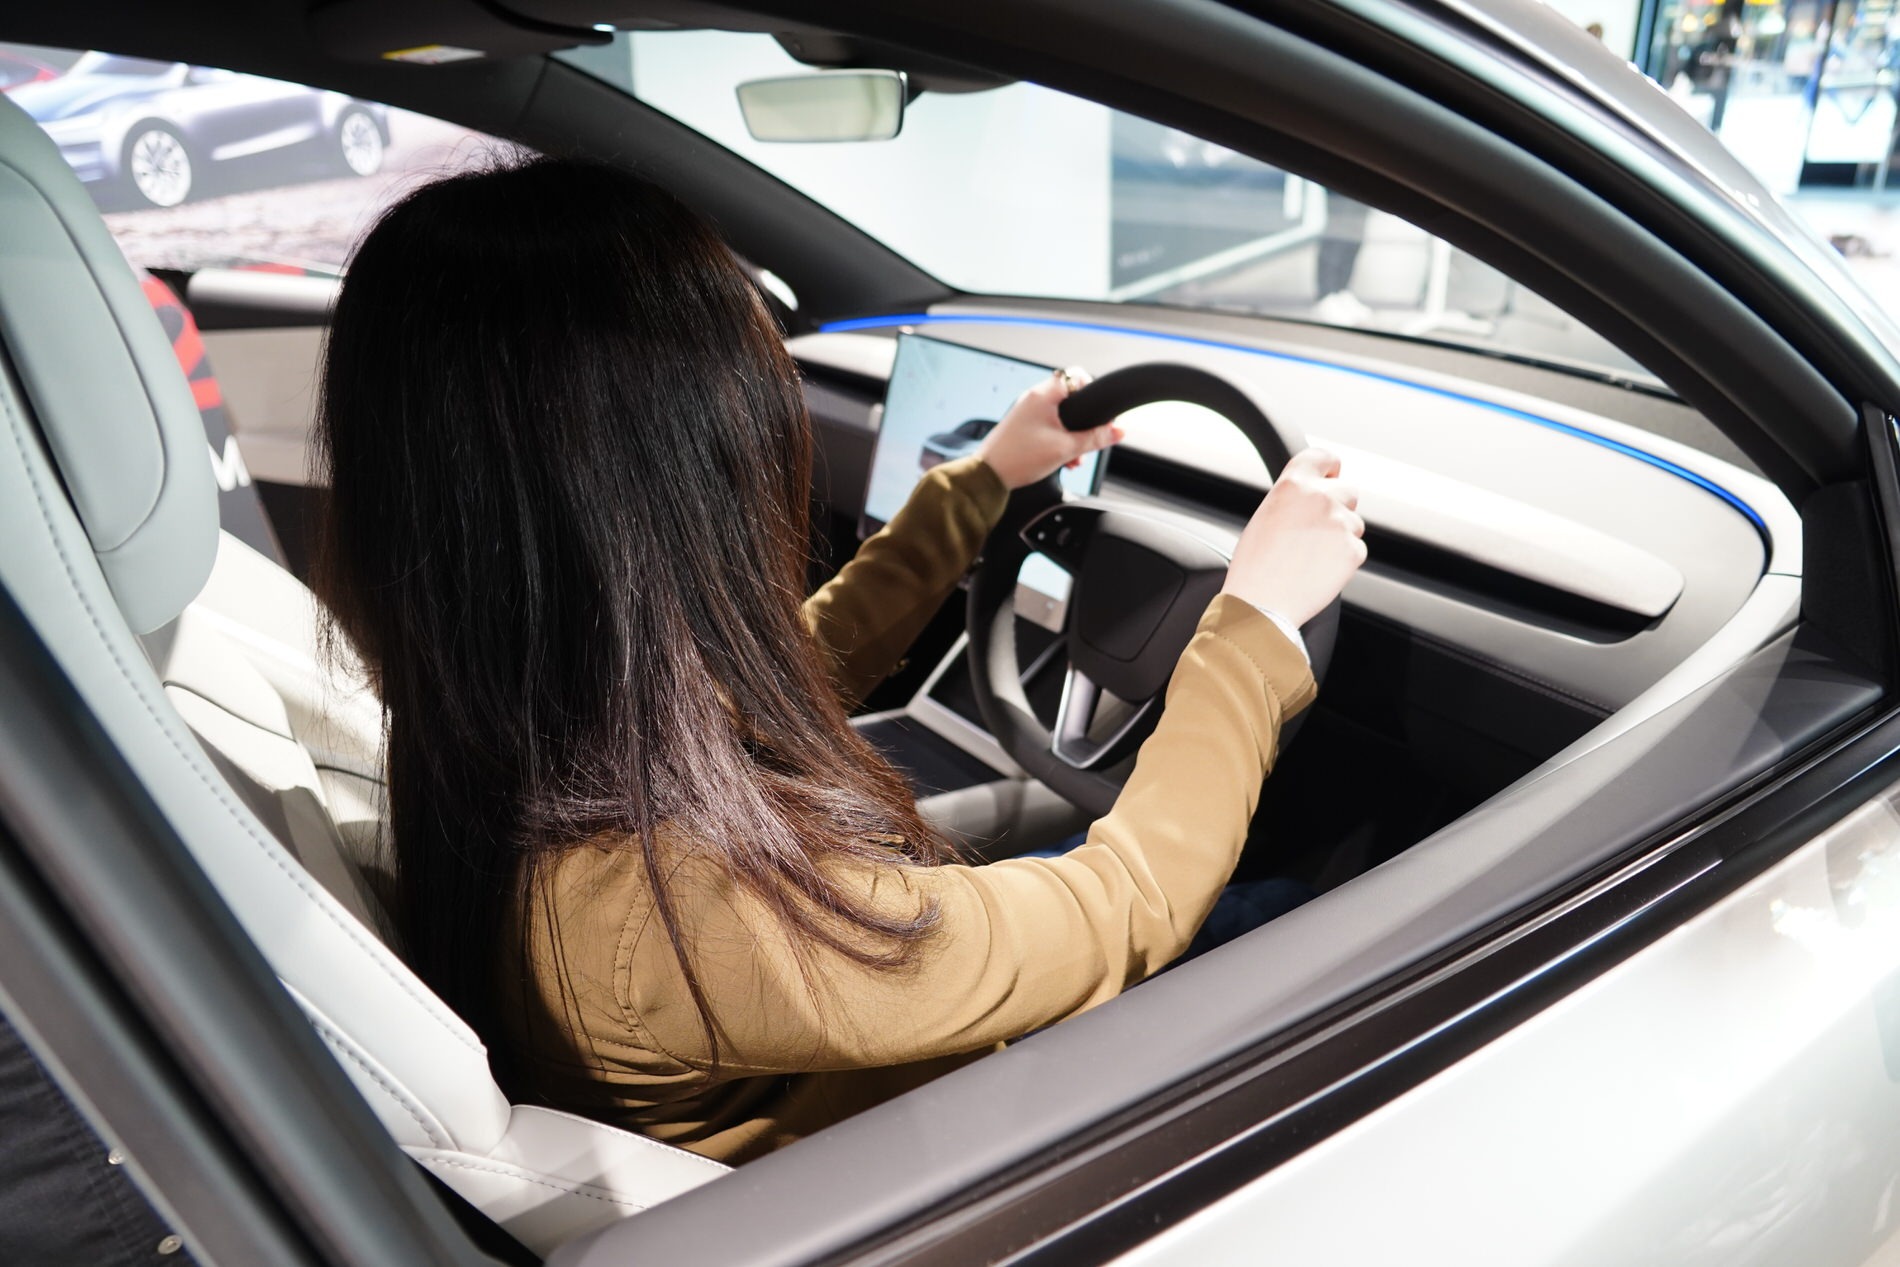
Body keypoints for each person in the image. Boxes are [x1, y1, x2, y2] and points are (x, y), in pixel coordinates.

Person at [312, 157, 1365, 1165]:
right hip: (972, 1125)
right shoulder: (683, 919)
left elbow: (773, 680)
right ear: (676, 478)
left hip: (895, 1069)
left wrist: (983, 481)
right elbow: (1125, 903)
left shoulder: (501, 734)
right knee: (1311, 913)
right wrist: (1253, 624)